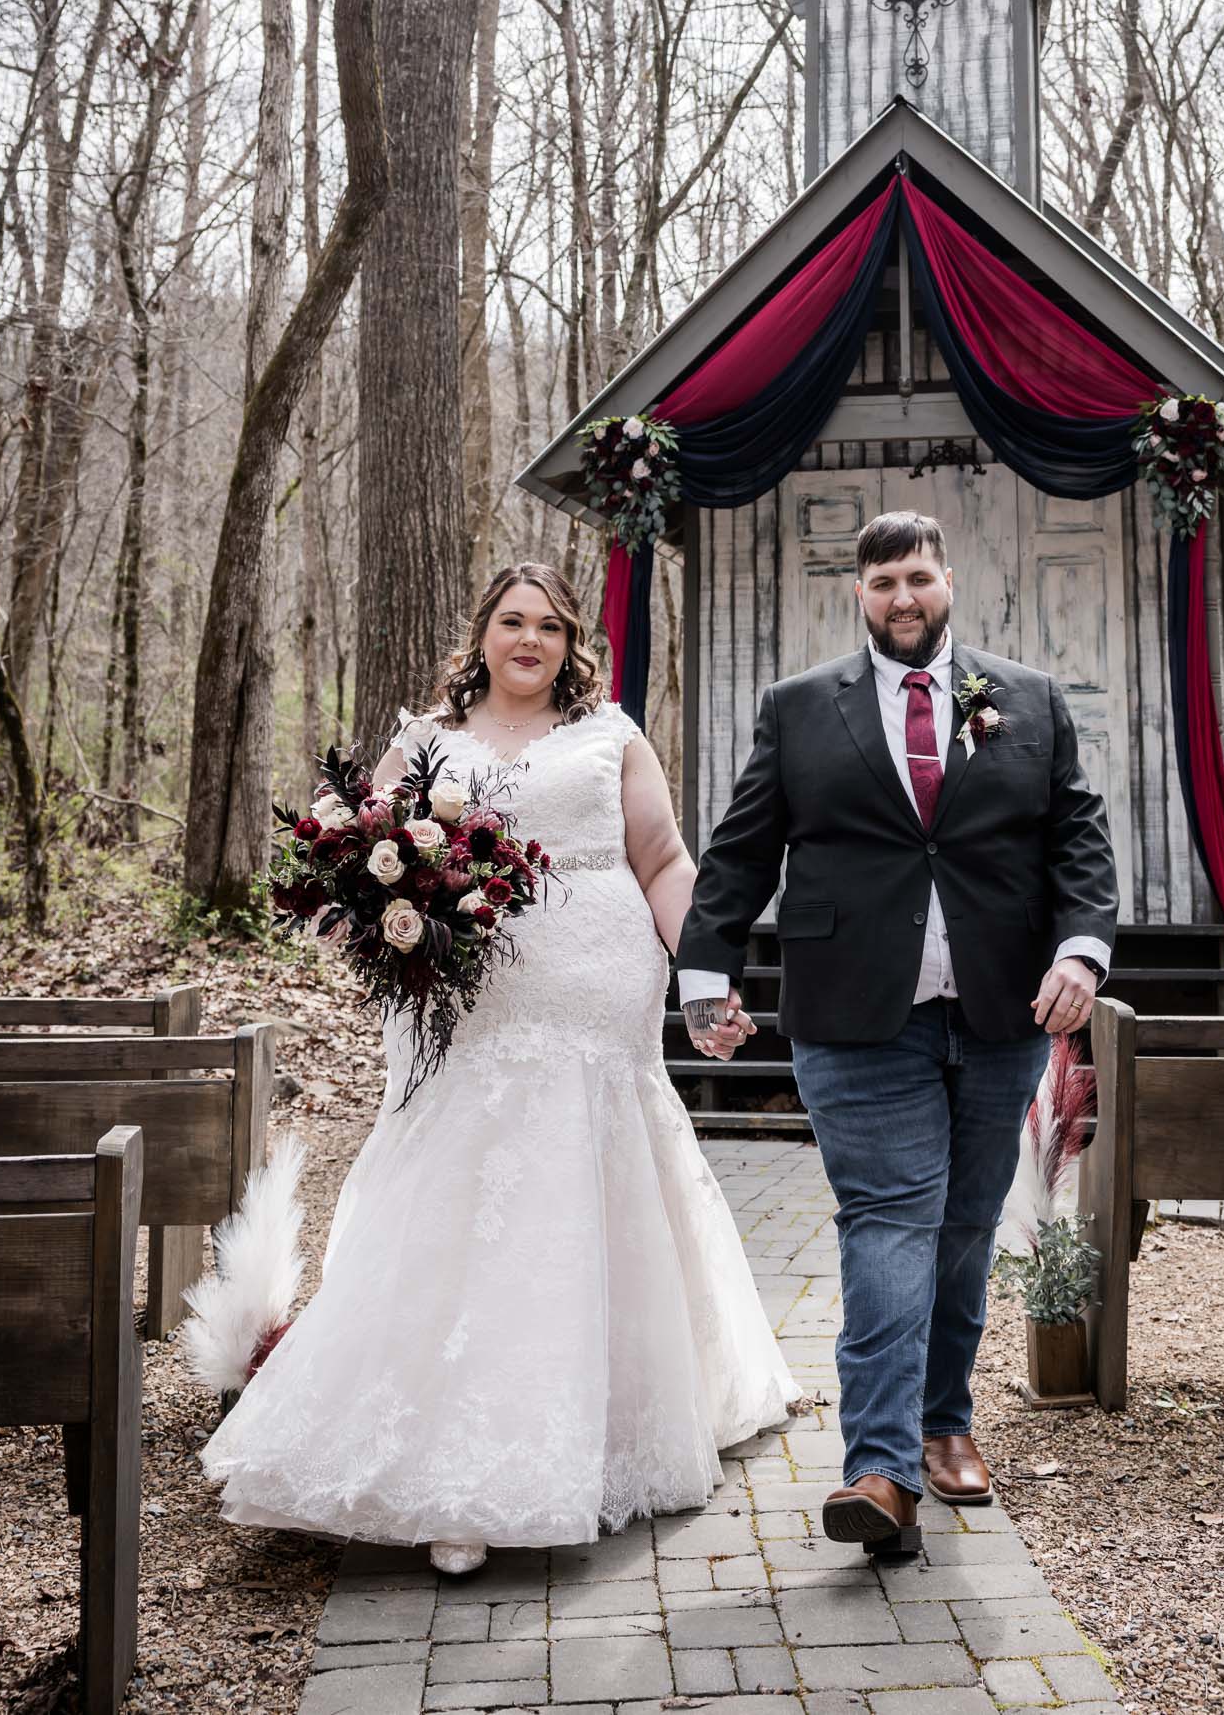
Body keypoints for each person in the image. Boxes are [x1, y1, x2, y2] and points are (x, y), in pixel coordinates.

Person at [203, 562, 796, 1572]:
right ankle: (446, 1466)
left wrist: (701, 977)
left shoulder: (610, 732)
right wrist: (375, 917)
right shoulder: (429, 737)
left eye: (550, 627)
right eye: (512, 622)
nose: (530, 640)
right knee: (459, 1192)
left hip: (595, 986)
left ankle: (608, 1426)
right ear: (481, 634)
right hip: (464, 998)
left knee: (583, 1184)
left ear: (571, 644)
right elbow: (345, 839)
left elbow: (660, 858)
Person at [675, 510, 1116, 1558]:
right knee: (886, 1218)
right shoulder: (797, 710)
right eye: (881, 584)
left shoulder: (1027, 699)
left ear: (947, 579)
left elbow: (1077, 843)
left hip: (1004, 1007)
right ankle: (877, 1468)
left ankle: (941, 1419)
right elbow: (739, 852)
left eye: (916, 577)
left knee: (962, 1225)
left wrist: (1080, 952)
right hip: (852, 1013)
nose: (901, 598)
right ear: (858, 593)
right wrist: (704, 973)